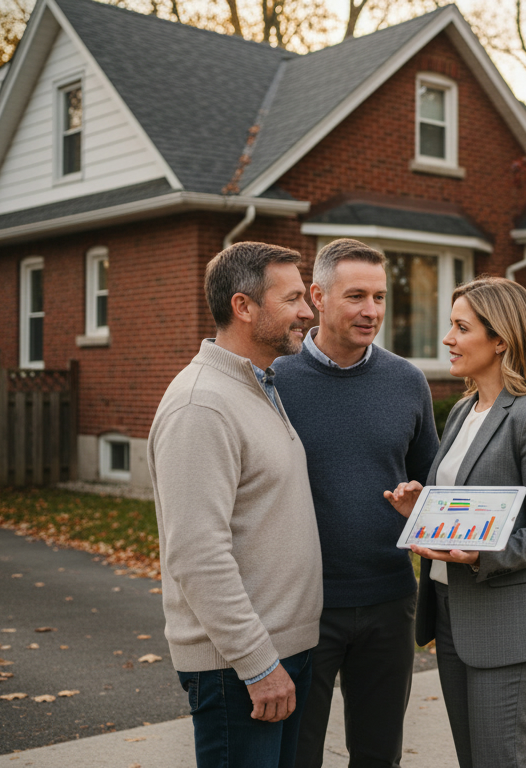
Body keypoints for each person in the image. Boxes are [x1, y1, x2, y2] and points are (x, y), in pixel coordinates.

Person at [384, 276, 526, 768]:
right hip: (451, 612)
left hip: (506, 627)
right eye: (450, 326)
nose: (447, 339)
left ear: (501, 340)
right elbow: (468, 508)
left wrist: (485, 554)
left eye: (461, 327)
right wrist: (424, 512)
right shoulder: (464, 410)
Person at [147, 242, 321, 768]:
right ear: (243, 307)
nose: (308, 312)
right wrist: (257, 664)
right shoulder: (202, 404)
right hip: (239, 667)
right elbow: (197, 555)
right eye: (292, 298)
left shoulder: (259, 385)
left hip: (280, 651)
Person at [271, 238, 439, 768]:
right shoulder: (275, 378)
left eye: (380, 297)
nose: (372, 311)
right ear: (317, 296)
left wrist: (421, 502)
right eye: (356, 296)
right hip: (303, 605)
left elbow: (429, 485)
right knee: (297, 756)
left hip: (390, 601)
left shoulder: (408, 381)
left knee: (378, 754)